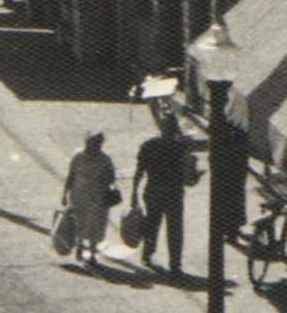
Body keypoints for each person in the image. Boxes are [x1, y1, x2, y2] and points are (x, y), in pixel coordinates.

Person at [132, 117, 202, 282]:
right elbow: (189, 178)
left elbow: (139, 171)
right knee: (175, 229)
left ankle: (147, 254)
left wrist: (134, 193)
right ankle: (175, 266)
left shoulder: (149, 146)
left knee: (152, 224)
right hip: (173, 193)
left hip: (154, 190)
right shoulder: (181, 148)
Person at [53, 134, 122, 271]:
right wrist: (65, 194)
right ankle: (79, 247)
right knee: (78, 222)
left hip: (97, 197)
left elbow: (111, 178)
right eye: (90, 143)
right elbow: (71, 175)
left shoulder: (105, 159)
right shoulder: (78, 156)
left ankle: (92, 253)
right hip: (79, 195)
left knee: (95, 225)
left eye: (95, 144)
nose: (91, 146)